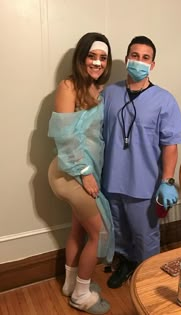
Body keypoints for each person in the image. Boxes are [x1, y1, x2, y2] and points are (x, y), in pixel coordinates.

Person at [102, 35, 181, 288]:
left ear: (152, 65)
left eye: (145, 58)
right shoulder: (110, 94)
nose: (139, 61)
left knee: (145, 235)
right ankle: (126, 264)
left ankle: (148, 278)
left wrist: (167, 181)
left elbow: (170, 145)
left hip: (144, 184)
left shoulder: (164, 100)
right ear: (127, 58)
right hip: (112, 182)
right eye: (134, 55)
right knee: (118, 232)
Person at [48, 32, 114, 314]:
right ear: (82, 57)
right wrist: (85, 173)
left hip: (85, 171)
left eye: (103, 57)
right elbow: (65, 139)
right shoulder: (68, 86)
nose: (97, 62)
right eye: (92, 56)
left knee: (78, 227)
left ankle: (70, 284)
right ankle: (81, 295)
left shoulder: (97, 90)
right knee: (101, 233)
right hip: (70, 172)